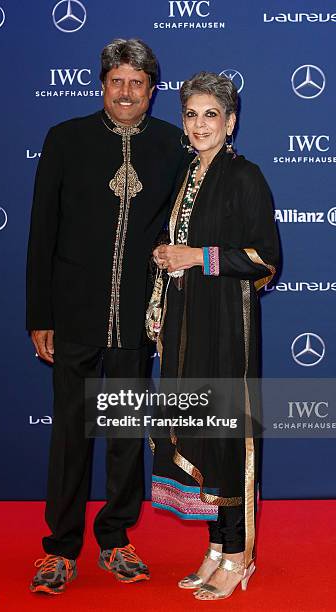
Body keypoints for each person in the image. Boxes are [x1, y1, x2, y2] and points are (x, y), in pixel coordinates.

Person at [26, 38, 184, 594]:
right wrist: (39, 313)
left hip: (135, 321)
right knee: (71, 435)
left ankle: (115, 538)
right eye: (116, 81)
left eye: (136, 83)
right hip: (72, 316)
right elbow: (41, 231)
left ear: (151, 90)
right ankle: (60, 549)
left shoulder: (173, 145)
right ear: (102, 84)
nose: (125, 92)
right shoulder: (66, 140)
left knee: (123, 436)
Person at [151, 71, 280, 601]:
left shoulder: (245, 176)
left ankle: (239, 554)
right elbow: (177, 241)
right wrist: (165, 258)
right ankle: (213, 546)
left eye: (211, 115)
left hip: (227, 328)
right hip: (185, 325)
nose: (200, 124)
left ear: (231, 122)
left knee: (228, 439)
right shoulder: (185, 175)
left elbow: (265, 261)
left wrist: (195, 257)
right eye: (191, 114)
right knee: (199, 433)